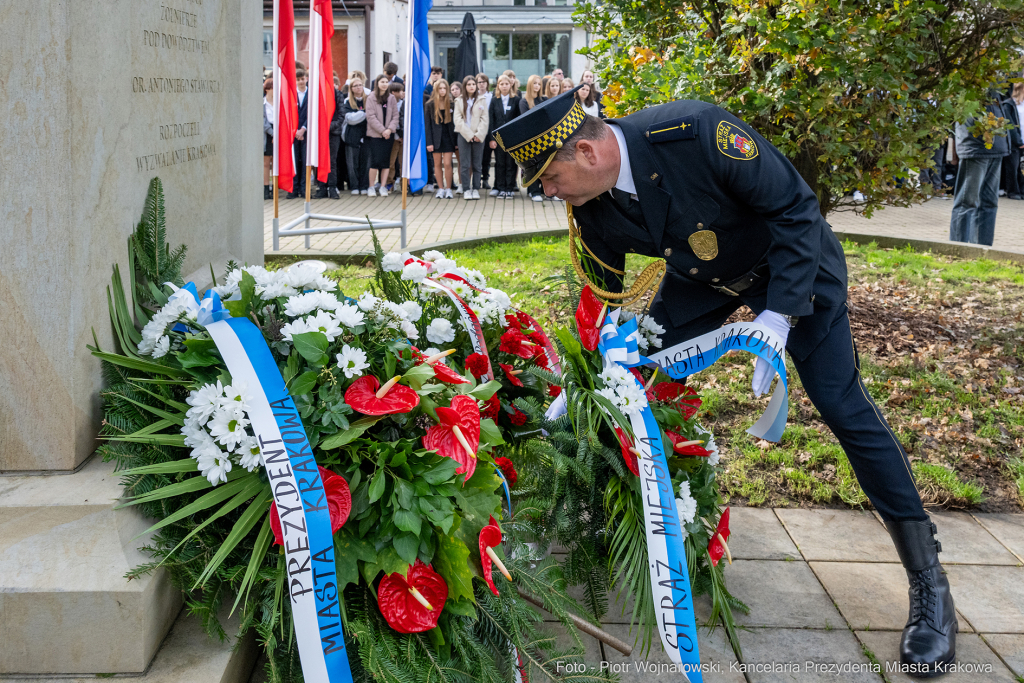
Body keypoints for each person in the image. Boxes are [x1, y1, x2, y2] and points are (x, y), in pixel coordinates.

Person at [493, 87, 960, 677]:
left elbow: (796, 210)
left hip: (793, 270)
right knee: (625, 380)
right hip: (705, 287)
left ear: (586, 152)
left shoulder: (694, 132)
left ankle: (930, 587)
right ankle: (621, 527)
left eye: (550, 178)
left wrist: (779, 315)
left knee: (844, 408)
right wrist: (594, 370)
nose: (549, 192)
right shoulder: (589, 201)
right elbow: (604, 298)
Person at [950, 88, 1010, 245]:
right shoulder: (970, 75)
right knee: (966, 203)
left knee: (989, 204)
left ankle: (982, 251)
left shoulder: (995, 81)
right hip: (975, 147)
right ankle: (958, 249)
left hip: (996, 148)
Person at [454, 75, 489, 201]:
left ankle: (475, 189)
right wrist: (469, 135)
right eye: (469, 84)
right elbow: (457, 120)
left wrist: (479, 135)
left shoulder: (481, 99)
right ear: (465, 86)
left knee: (477, 164)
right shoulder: (459, 100)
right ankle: (466, 189)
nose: (471, 87)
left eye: (473, 84)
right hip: (464, 136)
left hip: (478, 137)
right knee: (464, 164)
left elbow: (485, 119)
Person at [365, 74, 399, 197]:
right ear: (377, 83)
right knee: (375, 161)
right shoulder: (371, 97)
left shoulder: (391, 98)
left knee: (386, 162)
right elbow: (370, 117)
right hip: (375, 135)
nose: (385, 84)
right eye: (382, 82)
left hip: (388, 135)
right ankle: (371, 186)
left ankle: (383, 186)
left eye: (386, 82)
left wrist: (389, 130)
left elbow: (395, 116)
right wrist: (382, 130)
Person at [488, 74, 521, 198]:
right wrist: (492, 138)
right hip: (498, 138)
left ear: (510, 85)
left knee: (511, 163)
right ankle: (500, 188)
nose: (504, 86)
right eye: (502, 84)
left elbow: (518, 119)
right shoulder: (494, 100)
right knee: (500, 163)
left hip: (511, 138)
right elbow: (491, 120)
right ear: (498, 86)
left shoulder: (516, 100)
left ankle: (510, 188)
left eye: (506, 84)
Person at [314, 74, 345, 199]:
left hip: (333, 133)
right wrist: (321, 126)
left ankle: (332, 187)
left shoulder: (337, 94)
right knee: (320, 161)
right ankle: (321, 187)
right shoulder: (316, 94)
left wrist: (329, 126)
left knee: (332, 161)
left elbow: (341, 114)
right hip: (319, 133)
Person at [425, 79, 456, 199]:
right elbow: (427, 126)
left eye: (444, 88)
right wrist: (429, 142)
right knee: (436, 164)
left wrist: (456, 141)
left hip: (448, 138)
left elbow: (454, 124)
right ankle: (440, 188)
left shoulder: (452, 103)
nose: (442, 91)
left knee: (448, 163)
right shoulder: (430, 104)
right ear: (436, 90)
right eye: (440, 88)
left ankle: (448, 189)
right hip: (435, 139)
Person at [519, 75, 547, 202]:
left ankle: (543, 190)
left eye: (539, 84)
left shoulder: (544, 99)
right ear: (530, 85)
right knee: (533, 165)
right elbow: (527, 120)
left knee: (544, 165)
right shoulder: (524, 101)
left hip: (545, 138)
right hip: (531, 139)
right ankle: (534, 191)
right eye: (535, 83)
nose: (537, 86)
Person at [341, 77, 370, 195]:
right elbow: (349, 119)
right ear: (351, 89)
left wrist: (358, 115)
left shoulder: (369, 100)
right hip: (352, 136)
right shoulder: (347, 102)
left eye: (360, 85)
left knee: (366, 162)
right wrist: (364, 113)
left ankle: (364, 185)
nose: (358, 87)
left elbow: (372, 116)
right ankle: (354, 186)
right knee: (352, 163)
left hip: (367, 135)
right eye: (355, 86)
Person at [288, 68, 309, 199]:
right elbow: (288, 113)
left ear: (306, 79)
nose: (301, 82)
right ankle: (293, 189)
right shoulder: (291, 94)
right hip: (293, 133)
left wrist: (303, 128)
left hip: (306, 133)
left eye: (302, 79)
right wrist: (295, 130)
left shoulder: (312, 94)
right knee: (294, 161)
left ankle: (304, 188)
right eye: (298, 79)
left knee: (305, 160)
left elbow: (312, 113)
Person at [1000, 83, 1023, 199]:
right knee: (1013, 168)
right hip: (1014, 143)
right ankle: (1013, 191)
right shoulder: (1009, 104)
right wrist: (1019, 141)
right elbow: (1009, 125)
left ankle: (1022, 190)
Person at [476, 73, 494, 190]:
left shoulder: (491, 97)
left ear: (487, 83)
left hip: (488, 130)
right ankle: (476, 180)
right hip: (476, 130)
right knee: (477, 156)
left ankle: (485, 179)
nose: (481, 84)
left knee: (487, 157)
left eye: (483, 82)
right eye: (479, 82)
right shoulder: (473, 96)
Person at [388, 81, 406, 190]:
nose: (403, 93)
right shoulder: (389, 104)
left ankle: (404, 184)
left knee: (403, 162)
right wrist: (395, 135)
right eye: (401, 91)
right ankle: (390, 182)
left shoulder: (404, 103)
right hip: (393, 136)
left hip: (403, 136)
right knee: (391, 162)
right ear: (393, 92)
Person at [263, 78, 274, 200]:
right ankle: (266, 189)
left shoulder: (279, 102)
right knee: (266, 163)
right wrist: (273, 133)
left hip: (277, 132)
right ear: (267, 89)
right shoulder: (262, 103)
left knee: (275, 162)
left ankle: (275, 188)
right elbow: (263, 122)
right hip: (267, 134)